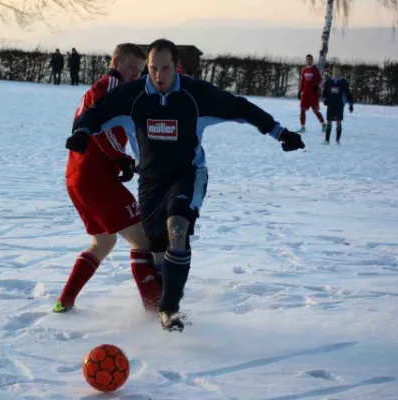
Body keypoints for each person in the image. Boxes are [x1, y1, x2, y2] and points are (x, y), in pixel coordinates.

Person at [65, 38, 305, 332]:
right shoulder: (134, 95)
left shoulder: (195, 95)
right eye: (152, 69)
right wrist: (83, 132)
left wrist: (279, 132)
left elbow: (239, 107)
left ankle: (168, 311)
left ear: (175, 67)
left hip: (187, 174)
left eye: (164, 69)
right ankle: (160, 307)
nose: (158, 76)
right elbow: (96, 112)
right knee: (156, 247)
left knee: (177, 228)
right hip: (150, 182)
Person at [54, 43, 162, 314]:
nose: (133, 75)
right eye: (129, 67)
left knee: (104, 242)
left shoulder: (98, 87)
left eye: (138, 72)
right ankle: (154, 310)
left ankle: (64, 301)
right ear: (116, 62)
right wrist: (121, 158)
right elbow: (101, 130)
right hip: (96, 178)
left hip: (76, 177)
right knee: (144, 241)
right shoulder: (111, 85)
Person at [321, 65, 354, 145]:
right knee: (329, 121)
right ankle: (327, 140)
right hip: (330, 104)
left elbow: (348, 93)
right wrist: (325, 99)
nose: (336, 72)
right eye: (334, 70)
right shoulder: (328, 81)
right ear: (332, 71)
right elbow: (325, 92)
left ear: (340, 72)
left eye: (337, 70)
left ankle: (337, 140)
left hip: (339, 104)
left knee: (338, 122)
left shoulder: (343, 82)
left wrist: (350, 104)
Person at [298, 54, 326, 133]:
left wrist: (317, 86)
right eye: (307, 59)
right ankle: (303, 127)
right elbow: (302, 81)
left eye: (310, 59)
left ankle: (324, 124)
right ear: (305, 60)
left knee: (315, 111)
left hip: (313, 94)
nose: (308, 61)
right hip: (305, 94)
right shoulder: (304, 69)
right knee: (302, 110)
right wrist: (300, 91)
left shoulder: (315, 70)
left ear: (312, 60)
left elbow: (320, 80)